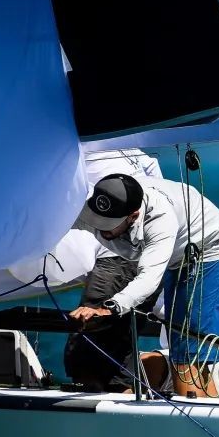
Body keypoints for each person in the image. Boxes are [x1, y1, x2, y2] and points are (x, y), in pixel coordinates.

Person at [70, 174, 219, 398]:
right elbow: (48, 226)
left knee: (189, 351)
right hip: (176, 259)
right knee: (178, 346)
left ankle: (198, 424)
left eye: (109, 226)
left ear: (134, 216)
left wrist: (110, 307)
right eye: (98, 221)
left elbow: (149, 278)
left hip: (211, 253)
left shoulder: (161, 219)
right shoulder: (94, 207)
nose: (102, 231)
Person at [64, 148, 164, 388]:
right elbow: (152, 171)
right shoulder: (127, 145)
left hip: (119, 258)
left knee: (90, 352)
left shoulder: (84, 140)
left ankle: (106, 417)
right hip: (135, 252)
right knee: (111, 356)